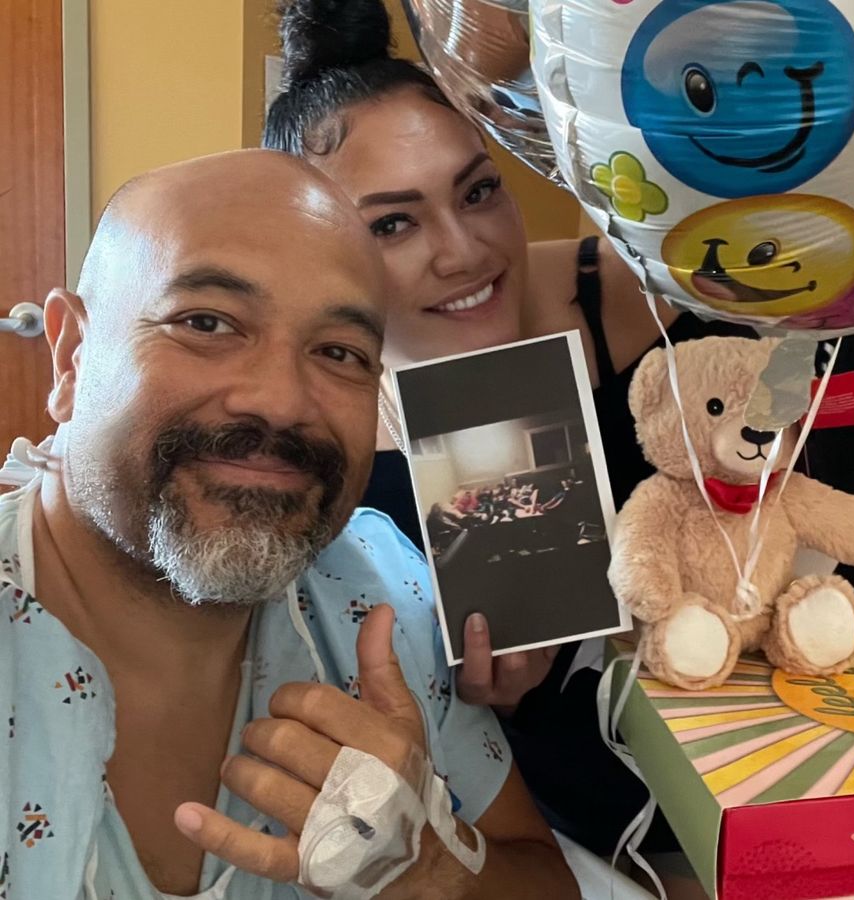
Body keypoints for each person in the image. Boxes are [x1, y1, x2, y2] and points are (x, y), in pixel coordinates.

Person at [264, 0, 854, 888]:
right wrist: (504, 707)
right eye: (392, 224)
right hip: (554, 854)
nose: (464, 252)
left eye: (478, 191)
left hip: (773, 799)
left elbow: (822, 511)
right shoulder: (321, 442)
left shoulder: (684, 307)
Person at [0, 150, 577, 900]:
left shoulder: (383, 596)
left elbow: (545, 877)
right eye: (206, 323)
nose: (281, 401)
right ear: (72, 356)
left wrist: (431, 869)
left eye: (339, 352)